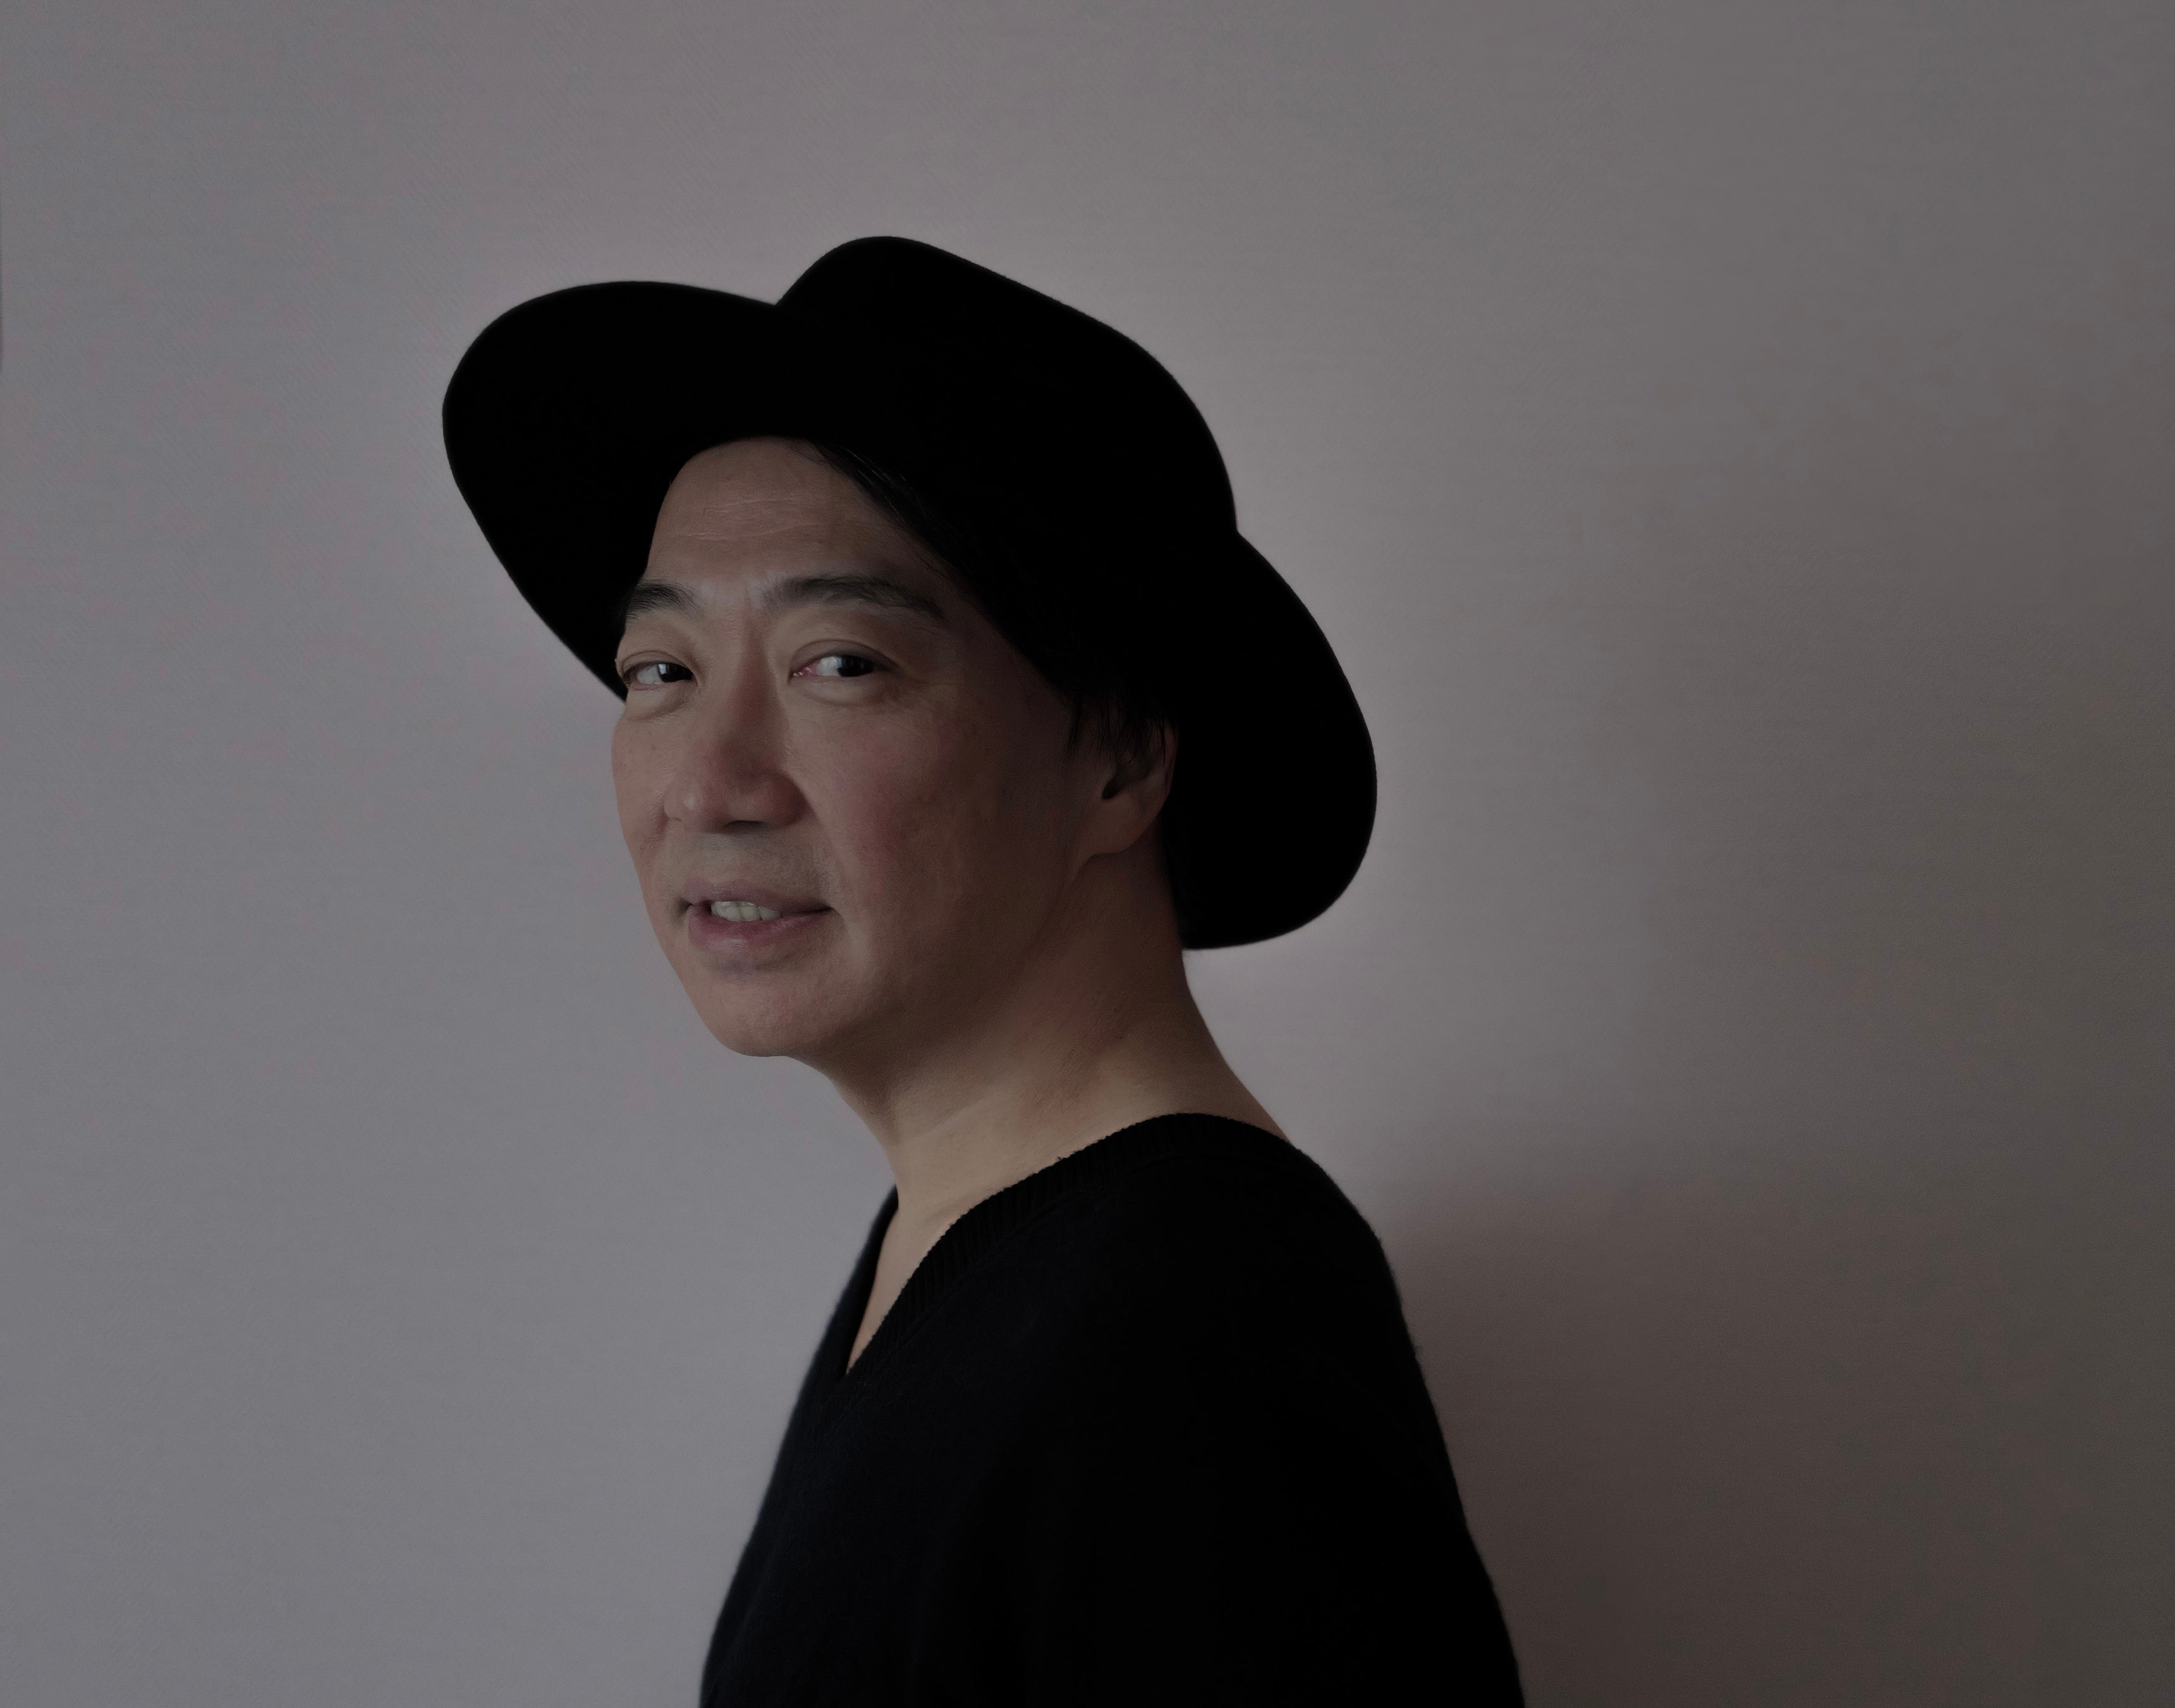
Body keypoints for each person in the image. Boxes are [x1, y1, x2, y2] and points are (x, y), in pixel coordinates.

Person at [442, 236, 1522, 1704]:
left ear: (1120, 759)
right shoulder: (979, 1255)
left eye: (842, 663)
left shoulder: (1189, 1327)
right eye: (661, 672)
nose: (707, 784)